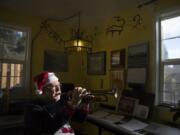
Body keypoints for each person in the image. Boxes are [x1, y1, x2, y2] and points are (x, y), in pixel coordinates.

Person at [24, 71, 94, 135]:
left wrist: (84, 104)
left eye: (59, 85)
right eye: (53, 87)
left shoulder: (60, 102)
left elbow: (79, 119)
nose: (58, 89)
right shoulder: (32, 108)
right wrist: (72, 104)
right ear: (42, 91)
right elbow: (51, 127)